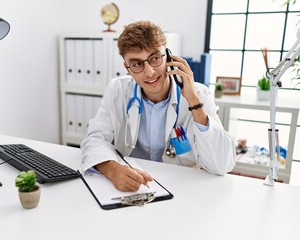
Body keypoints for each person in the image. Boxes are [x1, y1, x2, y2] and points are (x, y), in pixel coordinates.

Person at [81, 21, 236, 192]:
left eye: (155, 58)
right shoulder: (118, 90)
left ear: (169, 57)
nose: (149, 72)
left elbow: (221, 165)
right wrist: (113, 170)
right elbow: (94, 139)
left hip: (182, 189)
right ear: (127, 68)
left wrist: (193, 101)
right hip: (135, 188)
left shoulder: (200, 95)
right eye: (137, 64)